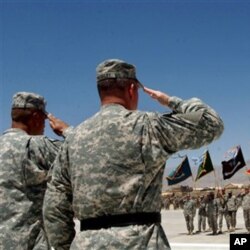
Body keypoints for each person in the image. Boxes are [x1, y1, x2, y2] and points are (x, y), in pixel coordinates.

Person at [43, 58, 224, 249]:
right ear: (131, 89)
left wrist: (68, 246)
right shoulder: (148, 126)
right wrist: (171, 101)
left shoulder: (74, 138)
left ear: (100, 92)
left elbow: (54, 205)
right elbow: (212, 123)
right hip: (141, 241)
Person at [0, 92, 70, 249]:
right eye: (44, 119)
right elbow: (85, 153)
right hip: (28, 244)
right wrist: (67, 131)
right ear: (36, 117)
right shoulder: (38, 146)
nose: (45, 125)